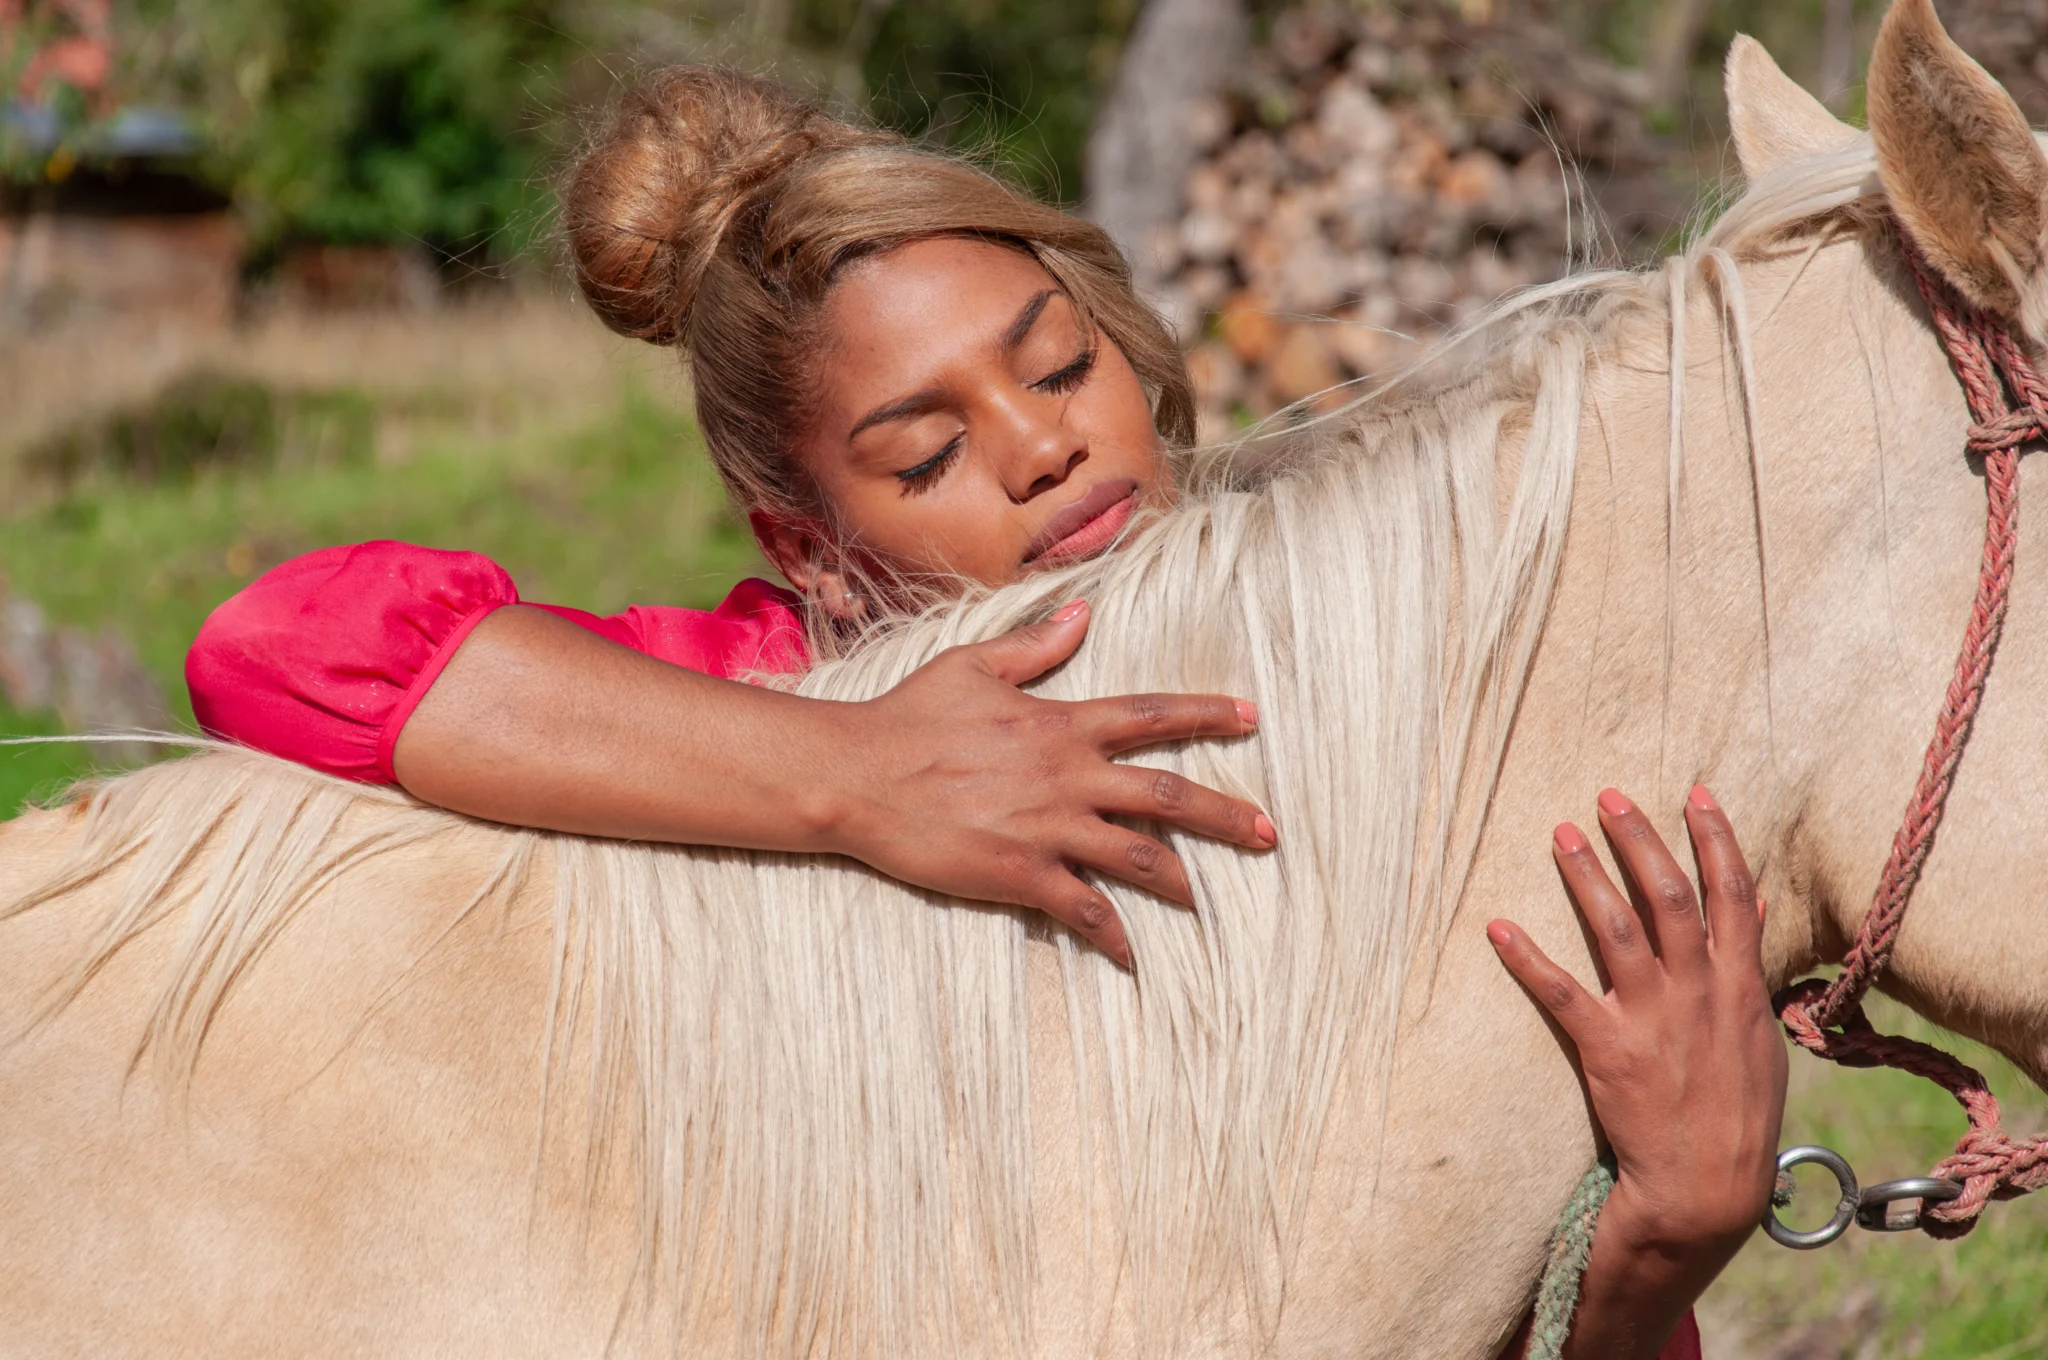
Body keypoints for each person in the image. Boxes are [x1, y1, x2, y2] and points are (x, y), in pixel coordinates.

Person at [184, 67, 1783, 1359]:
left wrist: (1657, 1251)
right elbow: (282, 644)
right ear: (807, 542)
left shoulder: (1356, 686)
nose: (1041, 448)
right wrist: (852, 770)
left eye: (1058, 365)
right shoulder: (762, 685)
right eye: (924, 456)